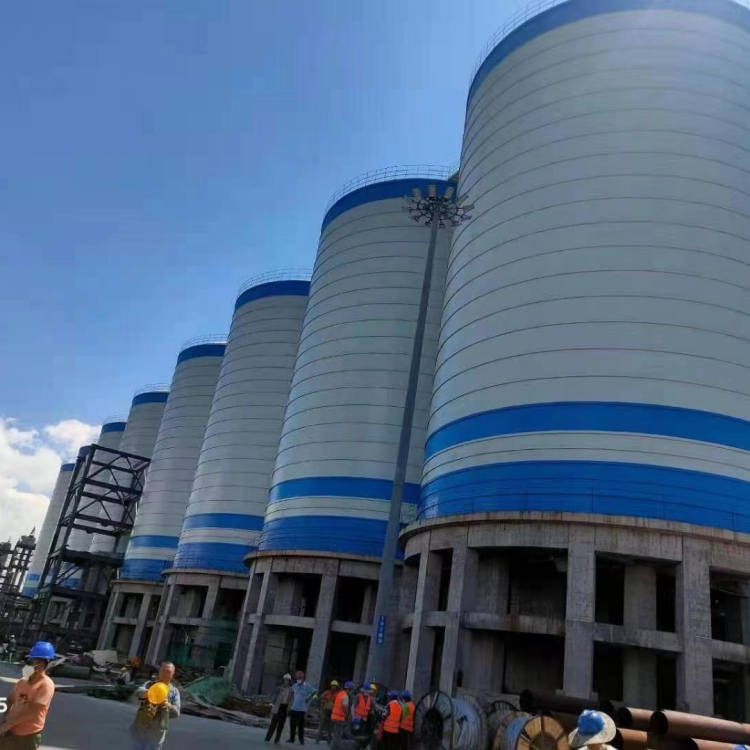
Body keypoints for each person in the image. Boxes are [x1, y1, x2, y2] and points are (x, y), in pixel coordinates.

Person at [0, 641, 57, 750]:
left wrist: (8, 724)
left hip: (27, 735)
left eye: (31, 661)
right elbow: (10, 699)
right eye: (29, 661)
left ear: (41, 664)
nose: (28, 664)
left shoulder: (46, 685)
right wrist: (4, 718)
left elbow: (33, 710)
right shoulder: (23, 681)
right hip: (10, 731)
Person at [131, 661, 181, 750]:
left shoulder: (174, 691)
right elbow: (137, 692)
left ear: (172, 674)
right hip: (141, 728)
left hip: (157, 733)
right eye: (163, 670)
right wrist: (148, 693)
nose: (164, 673)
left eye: (168, 671)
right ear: (159, 672)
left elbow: (176, 713)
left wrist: (168, 705)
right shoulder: (149, 684)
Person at [288, 670, 316, 745]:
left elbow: (315, 692)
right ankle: (291, 739)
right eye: (297, 678)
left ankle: (301, 740)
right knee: (292, 724)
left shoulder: (307, 686)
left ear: (303, 678)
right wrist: (290, 705)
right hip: (294, 708)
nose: (298, 679)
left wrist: (309, 698)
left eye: (299, 678)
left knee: (300, 726)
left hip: (301, 709)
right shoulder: (294, 686)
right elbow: (291, 695)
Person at [266, 673, 292, 744]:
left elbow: (291, 699)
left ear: (289, 681)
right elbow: (274, 696)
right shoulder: (279, 688)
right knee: (273, 724)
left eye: (287, 680)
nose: (286, 681)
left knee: (281, 725)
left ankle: (277, 740)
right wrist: (272, 704)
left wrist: (290, 707)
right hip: (278, 706)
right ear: (283, 680)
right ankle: (267, 738)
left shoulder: (290, 689)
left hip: (285, 708)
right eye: (285, 680)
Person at [331, 681, 354, 750]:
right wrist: (347, 715)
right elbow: (345, 708)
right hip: (339, 718)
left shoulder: (340, 694)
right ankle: (335, 748)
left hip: (334, 716)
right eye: (351, 690)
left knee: (335, 734)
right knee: (338, 735)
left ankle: (334, 747)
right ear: (349, 689)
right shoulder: (345, 696)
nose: (351, 692)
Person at [316, 680, 339, 744]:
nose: (333, 687)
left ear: (336, 687)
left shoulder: (337, 694)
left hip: (333, 712)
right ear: (331, 686)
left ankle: (329, 740)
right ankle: (318, 739)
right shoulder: (327, 692)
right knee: (322, 725)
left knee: (331, 727)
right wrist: (323, 702)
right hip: (325, 711)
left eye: (335, 686)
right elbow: (320, 698)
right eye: (332, 686)